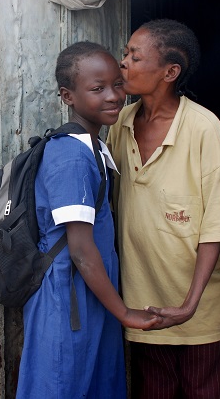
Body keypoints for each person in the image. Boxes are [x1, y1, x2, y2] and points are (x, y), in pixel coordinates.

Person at [16, 41, 162, 399]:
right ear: (68, 96)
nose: (113, 96)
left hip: (89, 296)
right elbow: (80, 251)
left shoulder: (93, 147)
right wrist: (125, 313)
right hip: (67, 301)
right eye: (97, 89)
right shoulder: (72, 157)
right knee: (64, 383)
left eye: (117, 84)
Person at [107, 19, 220, 398]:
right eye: (125, 54)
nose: (124, 63)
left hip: (200, 313)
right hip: (144, 308)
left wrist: (189, 306)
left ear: (170, 71)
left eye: (134, 56)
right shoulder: (121, 125)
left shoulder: (203, 128)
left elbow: (216, 227)